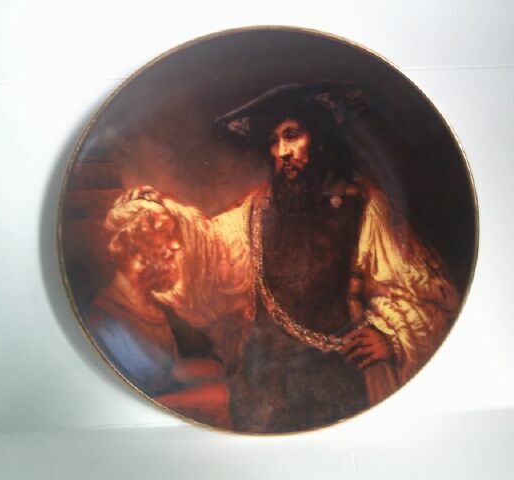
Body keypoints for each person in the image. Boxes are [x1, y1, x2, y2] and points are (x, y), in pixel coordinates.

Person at [127, 82, 460, 433]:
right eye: (273, 141)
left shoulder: (363, 204)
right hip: (262, 379)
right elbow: (212, 249)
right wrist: (162, 211)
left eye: (292, 135)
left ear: (320, 139)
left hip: (334, 378)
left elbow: (419, 287)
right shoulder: (257, 208)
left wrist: (389, 336)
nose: (282, 151)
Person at [85, 193, 230, 428]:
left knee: (222, 384)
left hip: (155, 401)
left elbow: (170, 369)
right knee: (221, 395)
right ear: (136, 244)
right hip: (133, 414)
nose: (176, 245)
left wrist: (222, 369)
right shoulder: (104, 317)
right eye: (165, 234)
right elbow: (145, 387)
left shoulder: (153, 309)